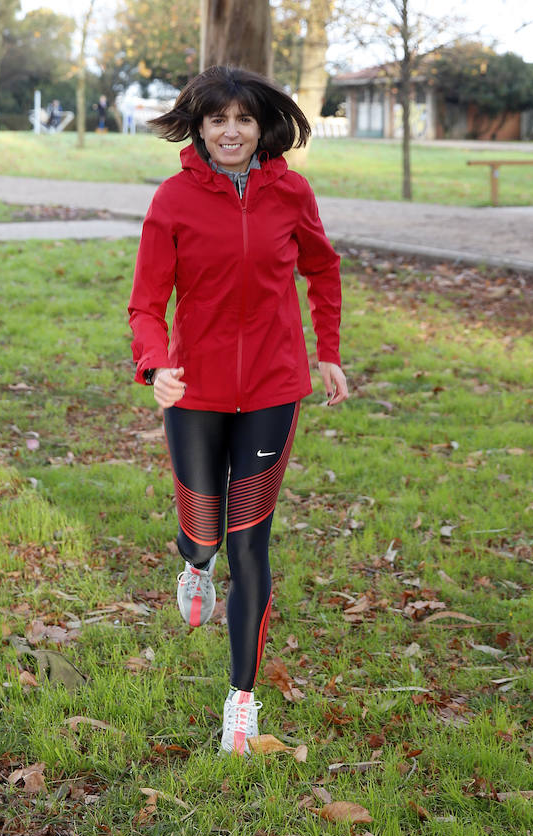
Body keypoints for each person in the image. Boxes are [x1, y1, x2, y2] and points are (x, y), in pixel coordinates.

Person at [128, 66, 348, 757]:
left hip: (274, 387)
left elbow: (322, 267)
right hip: (192, 389)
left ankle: (241, 704)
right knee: (205, 532)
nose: (230, 131)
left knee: (250, 539)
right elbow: (144, 301)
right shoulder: (172, 199)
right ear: (197, 127)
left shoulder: (291, 192)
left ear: (263, 127)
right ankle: (193, 563)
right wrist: (156, 362)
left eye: (243, 120)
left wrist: (328, 351)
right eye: (216, 119)